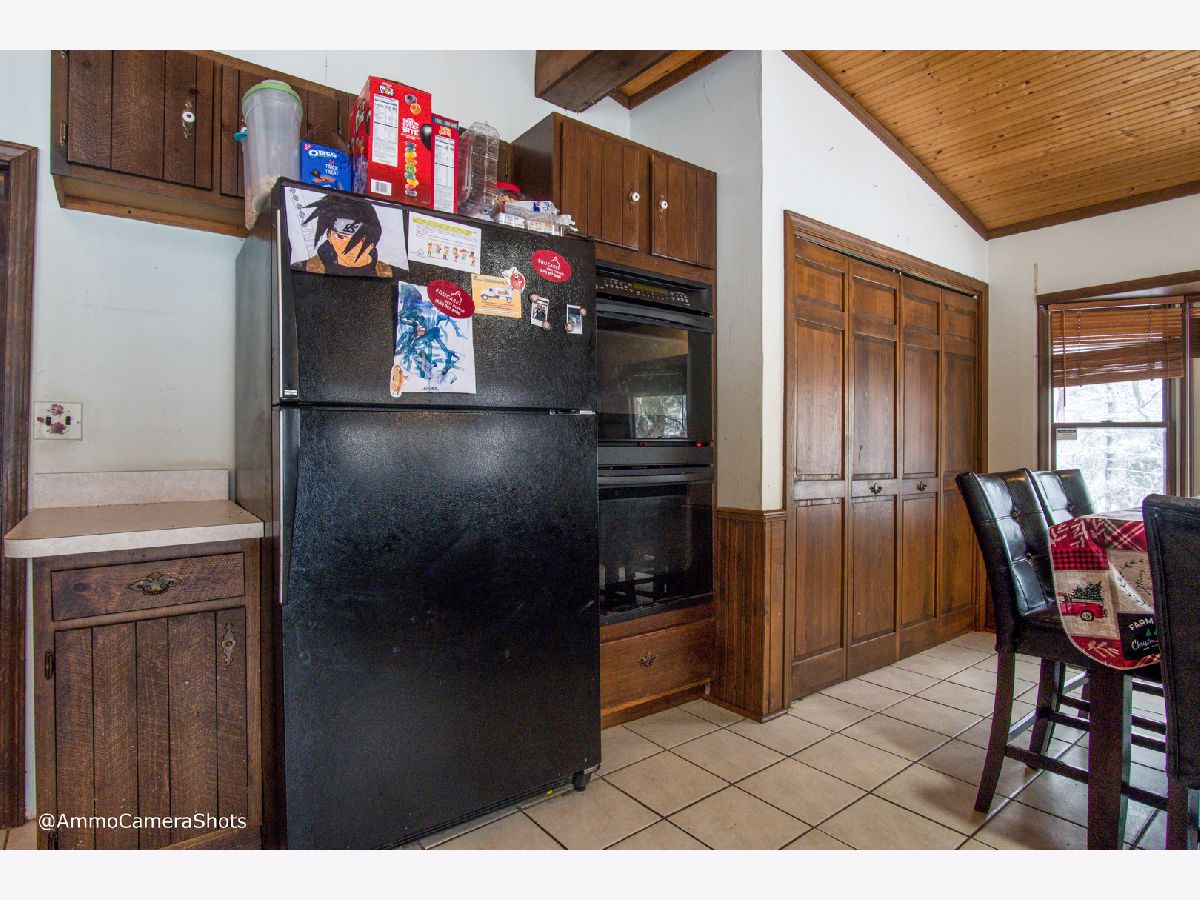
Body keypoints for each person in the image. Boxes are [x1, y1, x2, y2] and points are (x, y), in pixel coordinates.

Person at [300, 192, 393, 277]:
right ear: (329, 236)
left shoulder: (391, 274)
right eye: (341, 237)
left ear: (373, 239)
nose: (351, 248)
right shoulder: (304, 269)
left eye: (362, 239)